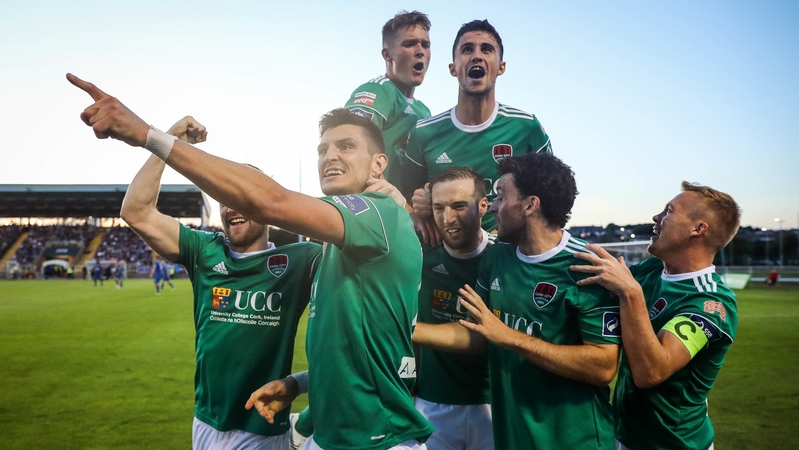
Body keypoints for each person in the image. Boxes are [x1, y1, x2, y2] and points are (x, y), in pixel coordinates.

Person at [68, 73, 433, 450]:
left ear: (378, 164)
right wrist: (297, 384)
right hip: (289, 429)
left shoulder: (319, 249)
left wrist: (150, 134)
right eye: (323, 149)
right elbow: (346, 349)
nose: (330, 156)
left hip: (365, 439)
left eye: (346, 146)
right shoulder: (231, 250)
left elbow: (269, 201)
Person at [119, 116, 323, 450]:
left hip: (261, 426)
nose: (232, 207)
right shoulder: (204, 250)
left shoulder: (301, 260)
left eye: (244, 196)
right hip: (205, 422)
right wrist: (165, 140)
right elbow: (136, 211)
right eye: (225, 198)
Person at [413, 152, 620, 449]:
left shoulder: (588, 265)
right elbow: (477, 335)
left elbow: (602, 368)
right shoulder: (497, 257)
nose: (493, 207)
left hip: (575, 438)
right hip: (512, 433)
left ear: (530, 205)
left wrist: (508, 336)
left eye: (500, 197)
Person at [571, 182, 741, 450]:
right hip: (624, 434)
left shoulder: (710, 301)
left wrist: (631, 292)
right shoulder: (651, 269)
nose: (656, 217)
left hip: (674, 445)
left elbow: (650, 372)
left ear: (698, 229)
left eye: (669, 211)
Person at [402, 20, 552, 235]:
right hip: (445, 252)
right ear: (453, 68)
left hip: (507, 251)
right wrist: (418, 209)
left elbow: (551, 196)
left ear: (501, 67)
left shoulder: (527, 127)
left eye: (487, 49)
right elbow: (407, 194)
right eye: (467, 49)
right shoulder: (423, 132)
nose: (477, 56)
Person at [414, 167, 493, 450]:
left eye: (459, 206)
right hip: (431, 403)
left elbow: (478, 337)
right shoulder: (418, 253)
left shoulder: (504, 258)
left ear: (482, 206)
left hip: (493, 403)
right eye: (438, 208)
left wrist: (400, 327)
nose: (448, 218)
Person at [345, 10, 432, 185]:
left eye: (425, 45)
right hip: (377, 199)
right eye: (410, 44)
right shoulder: (377, 91)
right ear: (387, 54)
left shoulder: (424, 111)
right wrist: (389, 196)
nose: (420, 51)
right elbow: (351, 149)